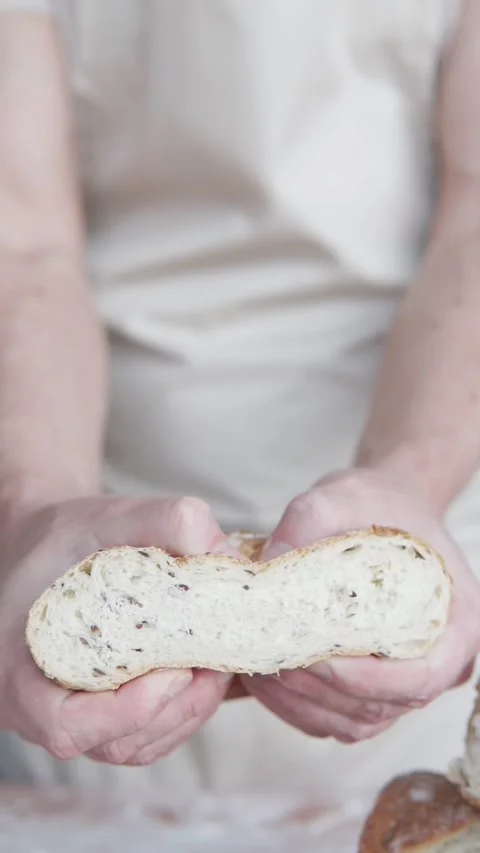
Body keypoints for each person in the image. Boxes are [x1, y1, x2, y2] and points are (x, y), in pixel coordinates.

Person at [0, 0, 479, 802]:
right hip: (94, 556)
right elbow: (24, 248)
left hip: (411, 522)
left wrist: (411, 482)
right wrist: (31, 511)